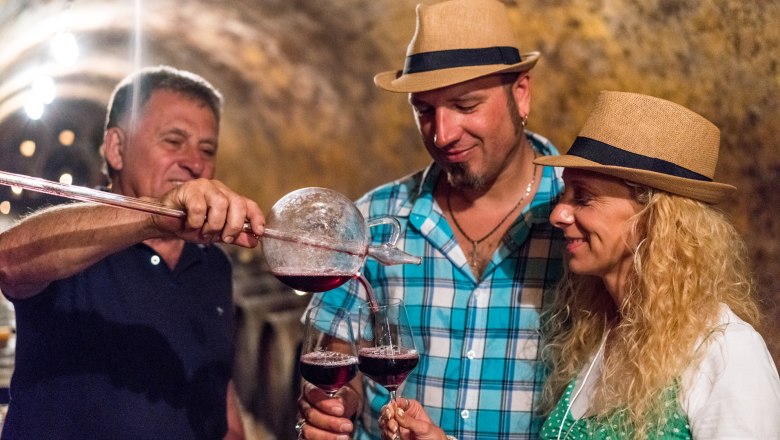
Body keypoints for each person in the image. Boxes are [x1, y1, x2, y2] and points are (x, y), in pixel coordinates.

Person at [378, 91, 780, 439]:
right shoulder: (604, 332)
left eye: (583, 197)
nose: (558, 215)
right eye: (565, 193)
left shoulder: (726, 353)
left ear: (656, 219)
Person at [295, 0, 565, 439]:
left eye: (465, 104)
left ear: (521, 94)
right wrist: (334, 404)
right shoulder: (373, 219)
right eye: (424, 110)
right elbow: (331, 351)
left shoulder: (580, 223)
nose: (442, 134)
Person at [0, 65, 263, 439]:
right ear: (116, 149)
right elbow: (9, 262)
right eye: (174, 141)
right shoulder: (79, 241)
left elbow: (219, 397)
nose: (195, 162)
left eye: (207, 149)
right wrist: (154, 218)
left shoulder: (211, 263)